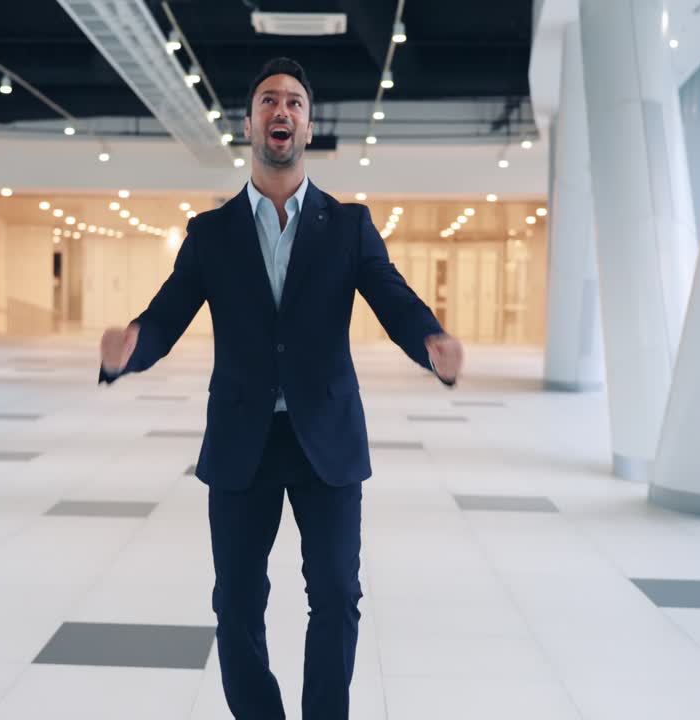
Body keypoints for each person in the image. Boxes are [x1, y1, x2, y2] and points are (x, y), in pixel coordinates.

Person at [98, 57, 462, 720]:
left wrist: (431, 342)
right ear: (249, 122)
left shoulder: (347, 226)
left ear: (308, 123)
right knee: (235, 601)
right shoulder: (212, 233)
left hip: (326, 437)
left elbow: (394, 298)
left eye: (294, 101)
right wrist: (130, 349)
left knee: (336, 596)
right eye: (269, 100)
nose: (282, 111)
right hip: (244, 440)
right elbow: (167, 313)